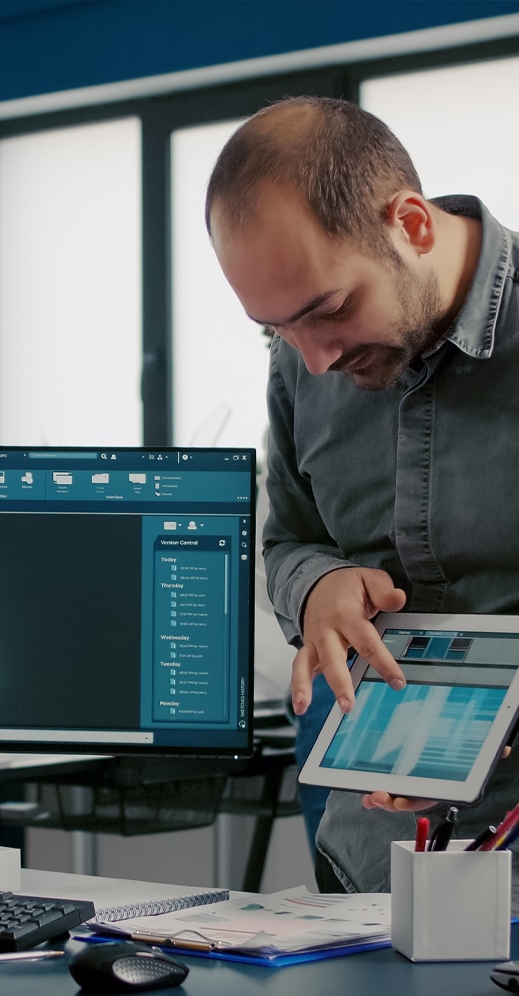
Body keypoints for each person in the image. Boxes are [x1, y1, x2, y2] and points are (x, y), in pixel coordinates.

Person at [204, 95, 519, 907]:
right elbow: (288, 543)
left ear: (411, 225)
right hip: (370, 868)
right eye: (277, 330)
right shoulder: (303, 364)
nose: (315, 362)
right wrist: (317, 586)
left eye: (331, 311)